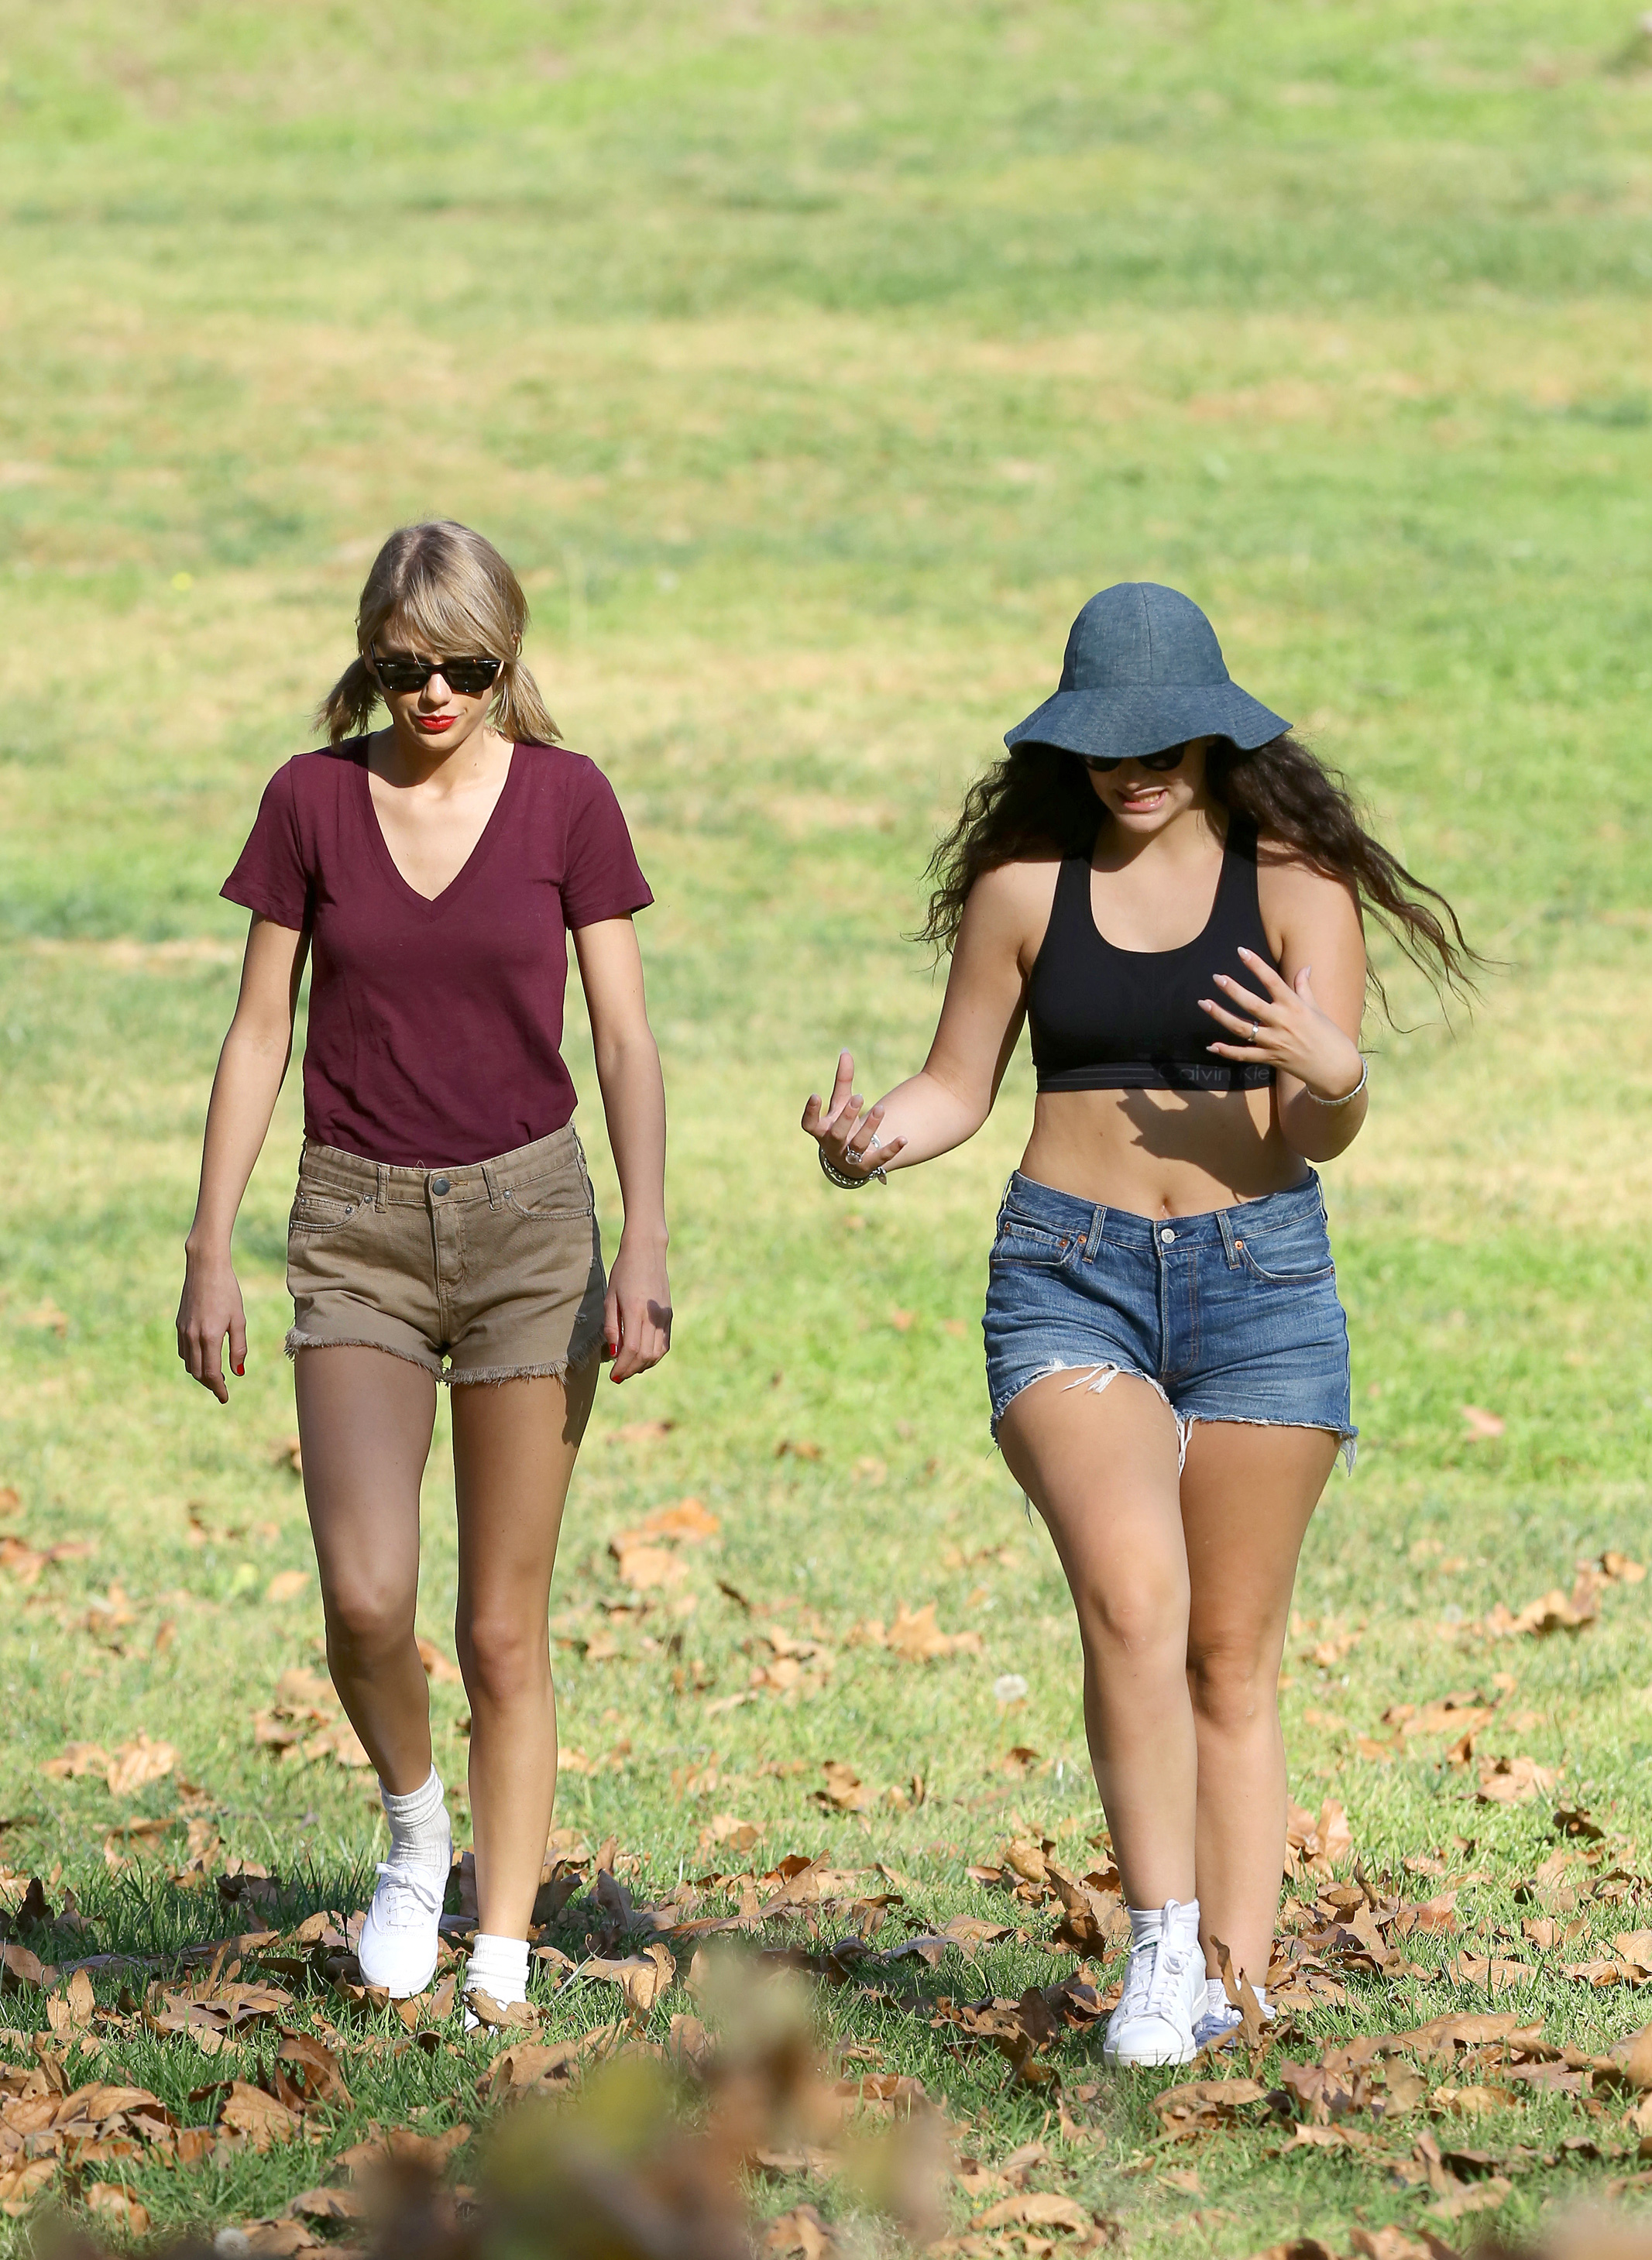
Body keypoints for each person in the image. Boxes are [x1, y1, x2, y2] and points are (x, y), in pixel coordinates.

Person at [802, 582, 1473, 2066]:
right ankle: (1160, 1949)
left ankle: (1234, 1983)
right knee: (1128, 1596)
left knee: (1228, 1652)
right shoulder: (1024, 886)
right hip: (1069, 1276)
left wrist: (1333, 1069)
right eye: (1106, 744)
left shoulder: (1295, 885)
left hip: (1259, 1285)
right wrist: (871, 1143)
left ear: (1214, 734)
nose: (1133, 767)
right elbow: (956, 1084)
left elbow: (1316, 1125)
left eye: (1161, 741)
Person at [177, 520, 670, 2025]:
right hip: (358, 1227)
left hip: (532, 1229)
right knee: (365, 1596)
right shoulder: (312, 802)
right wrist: (210, 1244)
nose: (435, 694)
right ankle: (412, 1824)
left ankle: (501, 1951)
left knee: (501, 1626)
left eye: (466, 667)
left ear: (507, 662)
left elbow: (623, 1036)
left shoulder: (568, 802)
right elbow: (259, 1030)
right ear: (370, 664)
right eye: (405, 669)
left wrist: (646, 1235)